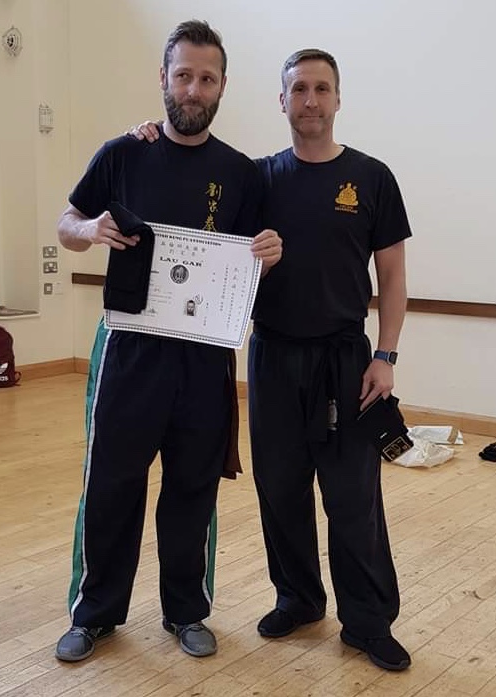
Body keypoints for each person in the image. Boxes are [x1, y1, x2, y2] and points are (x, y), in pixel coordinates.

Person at [130, 48, 412, 672]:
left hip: (346, 361)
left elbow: (391, 277)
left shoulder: (371, 178)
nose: (310, 100)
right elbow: (192, 199)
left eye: (321, 89)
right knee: (279, 488)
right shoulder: (257, 180)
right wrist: (145, 137)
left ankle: (367, 622)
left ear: (337, 99)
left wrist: (386, 355)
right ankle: (299, 599)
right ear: (280, 101)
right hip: (273, 357)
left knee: (352, 495)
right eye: (299, 90)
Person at [54, 19, 281, 663]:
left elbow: (254, 257)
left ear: (222, 87)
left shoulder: (241, 173)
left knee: (193, 487)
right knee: (111, 484)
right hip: (128, 349)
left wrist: (269, 251)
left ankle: (187, 610)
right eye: (182, 74)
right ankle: (94, 613)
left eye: (206, 77)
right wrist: (90, 227)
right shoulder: (123, 153)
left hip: (205, 359)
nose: (193, 87)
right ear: (163, 78)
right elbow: (65, 221)